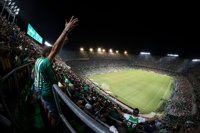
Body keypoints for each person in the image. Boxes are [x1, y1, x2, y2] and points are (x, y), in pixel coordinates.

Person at [39, 16, 78, 127]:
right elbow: (55, 49)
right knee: (55, 115)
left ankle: (49, 123)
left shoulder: (42, 61)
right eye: (52, 54)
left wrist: (64, 39)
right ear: (47, 55)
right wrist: (66, 30)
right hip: (49, 94)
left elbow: (55, 47)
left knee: (50, 111)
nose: (55, 57)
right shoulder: (45, 63)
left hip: (46, 92)